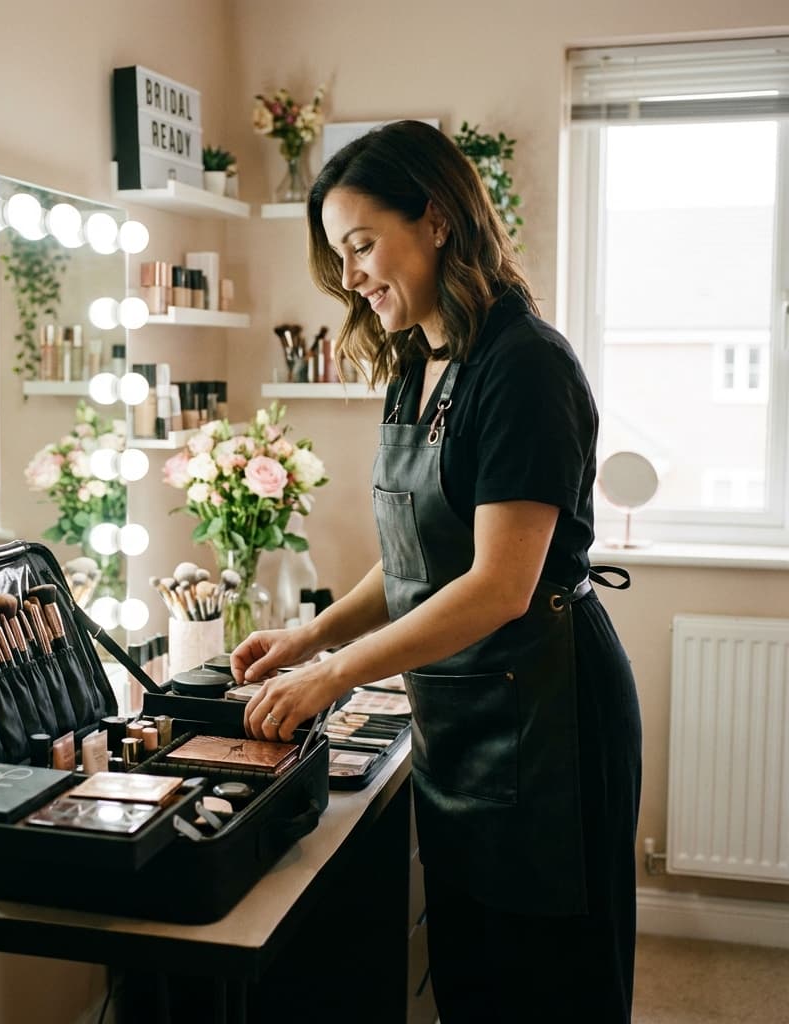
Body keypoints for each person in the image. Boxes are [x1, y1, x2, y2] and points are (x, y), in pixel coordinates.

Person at [233, 120, 642, 1023]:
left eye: (364, 244)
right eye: (338, 256)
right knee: (473, 980)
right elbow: (418, 557)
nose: (351, 277)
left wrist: (334, 675)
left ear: (439, 219)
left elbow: (498, 584)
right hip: (461, 712)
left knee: (547, 987)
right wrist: (311, 636)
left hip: (546, 722)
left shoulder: (523, 365)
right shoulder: (418, 361)